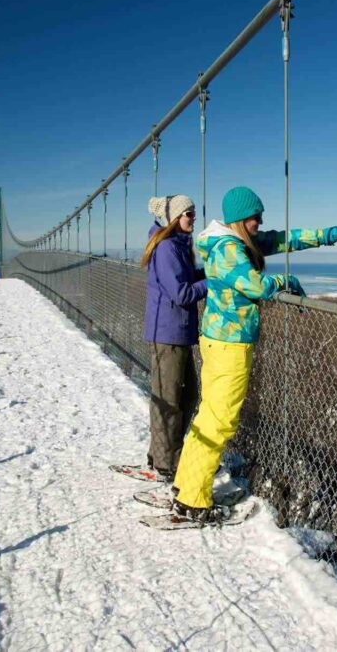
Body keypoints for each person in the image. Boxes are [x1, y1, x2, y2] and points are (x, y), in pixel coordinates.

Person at [172, 185, 337, 522]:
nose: (260, 223)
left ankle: (185, 486)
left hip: (219, 340)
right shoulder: (228, 249)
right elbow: (254, 285)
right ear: (238, 220)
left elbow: (283, 239)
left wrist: (330, 234)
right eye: (255, 218)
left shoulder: (233, 240)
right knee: (220, 421)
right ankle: (194, 500)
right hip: (230, 345)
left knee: (209, 416)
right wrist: (284, 281)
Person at [141, 194, 207, 481]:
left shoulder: (179, 246)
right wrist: (214, 282)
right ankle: (166, 463)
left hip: (179, 333)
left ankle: (166, 454)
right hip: (167, 334)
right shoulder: (168, 248)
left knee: (187, 395)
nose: (193, 218)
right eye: (188, 214)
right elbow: (181, 293)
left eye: (193, 214)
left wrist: (212, 271)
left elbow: (188, 279)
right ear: (174, 219)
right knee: (169, 400)